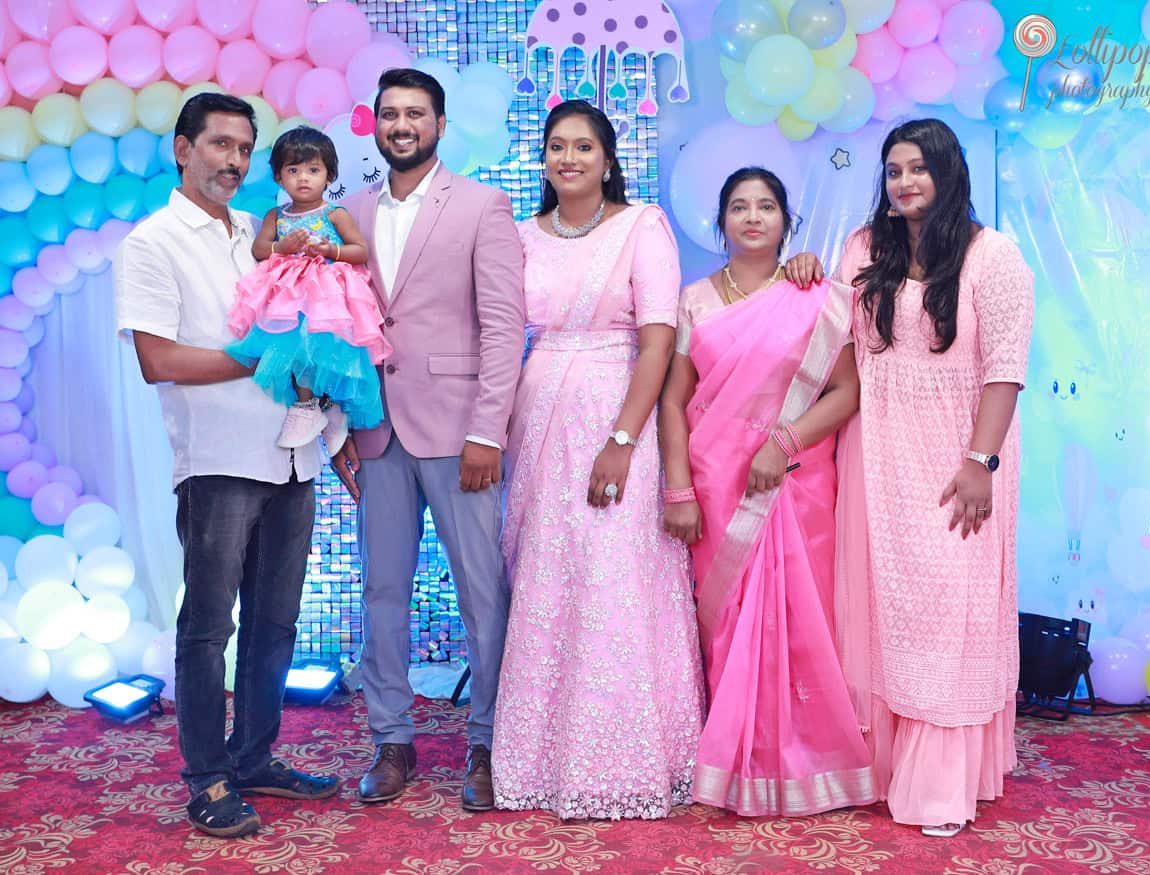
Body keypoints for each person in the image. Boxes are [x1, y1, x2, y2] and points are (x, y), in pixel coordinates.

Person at [784, 118, 1034, 836]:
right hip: (876, 447)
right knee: (883, 606)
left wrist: (980, 461)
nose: (904, 182)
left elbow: (1004, 370)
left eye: (918, 167)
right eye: (893, 169)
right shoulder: (865, 247)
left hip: (960, 451)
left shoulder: (993, 256)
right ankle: (882, 765)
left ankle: (939, 780)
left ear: (949, 171)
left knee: (946, 608)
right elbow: (834, 339)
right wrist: (794, 271)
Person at [114, 93, 338, 840]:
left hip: (293, 453)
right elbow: (158, 359)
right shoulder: (152, 243)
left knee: (275, 625)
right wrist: (258, 359)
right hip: (216, 461)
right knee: (210, 626)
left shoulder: (260, 229)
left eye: (244, 148)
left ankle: (254, 757)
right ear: (182, 150)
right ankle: (206, 776)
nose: (235, 161)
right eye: (218, 145)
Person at [490, 100, 705, 821]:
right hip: (540, 412)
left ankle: (627, 757)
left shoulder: (641, 225)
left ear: (608, 159)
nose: (569, 157)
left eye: (584, 146)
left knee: (614, 575)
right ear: (543, 160)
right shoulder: (520, 235)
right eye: (557, 146)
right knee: (549, 576)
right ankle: (539, 758)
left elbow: (657, 340)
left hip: (618, 416)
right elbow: (499, 329)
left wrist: (621, 439)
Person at [329, 68, 525, 812]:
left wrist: (488, 428)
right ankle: (391, 738)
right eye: (389, 113)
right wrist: (340, 422)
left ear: (440, 124)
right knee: (381, 590)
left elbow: (505, 326)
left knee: (482, 590)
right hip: (373, 427)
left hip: (458, 429)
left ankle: (488, 739)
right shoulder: (344, 212)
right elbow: (334, 327)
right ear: (373, 125)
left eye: (415, 113)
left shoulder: (482, 204)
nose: (401, 124)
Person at [659, 167, 878, 817]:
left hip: (797, 480)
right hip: (716, 482)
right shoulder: (693, 299)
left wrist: (781, 446)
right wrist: (677, 489)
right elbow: (672, 402)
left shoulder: (812, 294)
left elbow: (845, 391)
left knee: (802, 621)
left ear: (786, 221)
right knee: (727, 626)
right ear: (718, 222)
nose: (752, 217)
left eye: (766, 206)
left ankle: (809, 763)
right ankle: (732, 762)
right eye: (737, 206)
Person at [225, 126, 391, 453]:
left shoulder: (335, 213)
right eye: (293, 170)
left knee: (324, 350)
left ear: (329, 176)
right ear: (278, 177)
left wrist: (332, 251)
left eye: (313, 170)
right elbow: (260, 250)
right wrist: (282, 246)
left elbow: (361, 250)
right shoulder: (276, 215)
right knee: (293, 349)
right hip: (289, 296)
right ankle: (310, 408)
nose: (304, 178)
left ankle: (325, 407)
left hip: (325, 295)